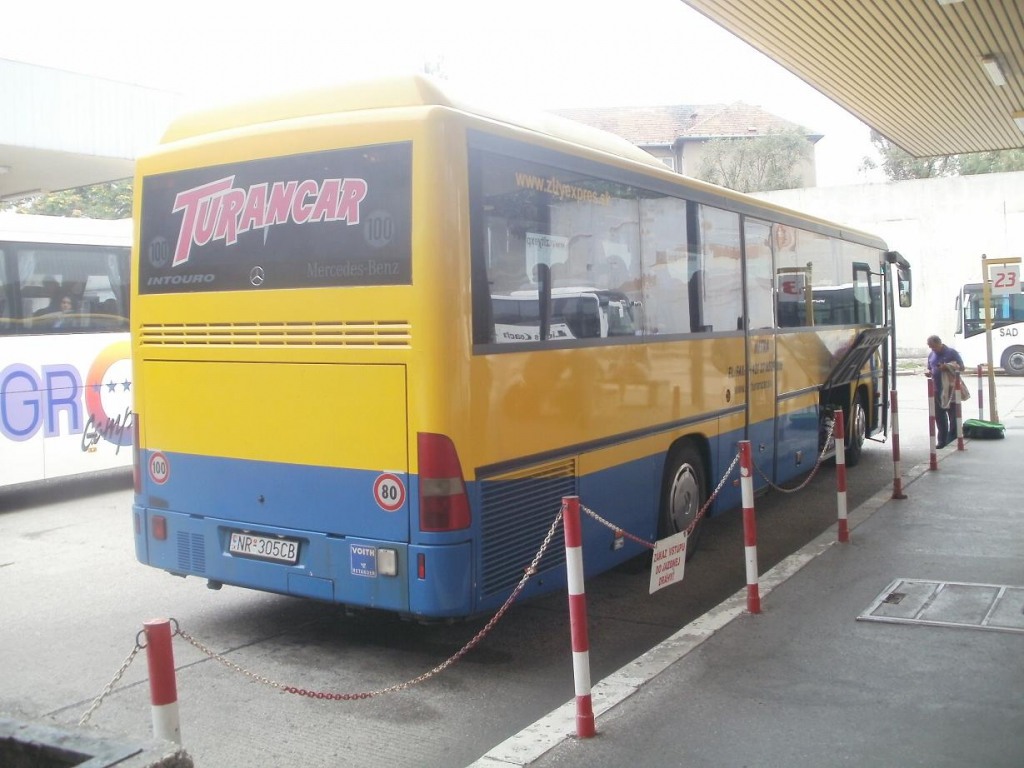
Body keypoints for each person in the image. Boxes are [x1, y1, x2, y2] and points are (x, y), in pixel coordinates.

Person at [925, 334, 964, 448]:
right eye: (930, 347)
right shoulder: (931, 355)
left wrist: (947, 367)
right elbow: (930, 368)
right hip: (936, 390)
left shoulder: (951, 353)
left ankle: (953, 440)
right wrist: (929, 372)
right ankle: (942, 441)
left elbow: (961, 367)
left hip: (951, 389)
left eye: (933, 346)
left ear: (939, 343)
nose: (932, 349)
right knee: (939, 417)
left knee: (953, 416)